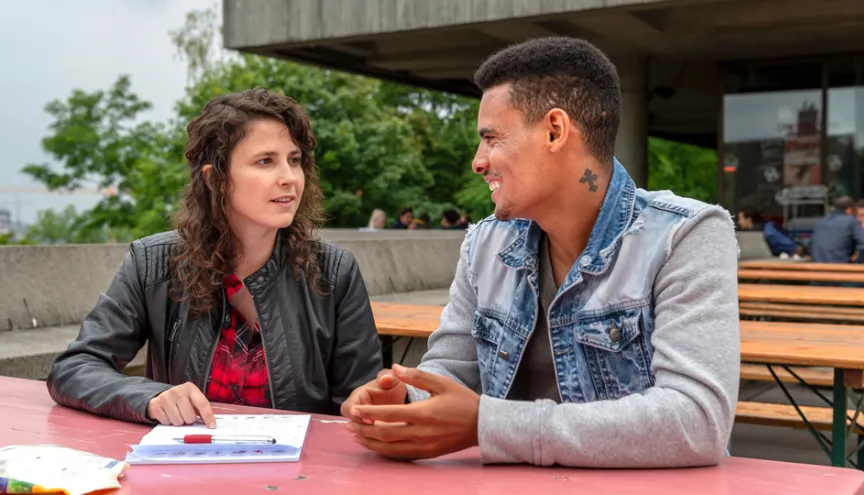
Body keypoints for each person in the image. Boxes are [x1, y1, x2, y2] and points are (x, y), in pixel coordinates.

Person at [342, 36, 739, 468]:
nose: (478, 161)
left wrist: (486, 425)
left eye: (492, 138)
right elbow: (450, 373)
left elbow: (697, 421)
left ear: (555, 131)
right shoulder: (485, 244)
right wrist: (402, 398)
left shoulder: (685, 235)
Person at [47, 88, 382, 427]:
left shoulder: (333, 272)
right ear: (215, 179)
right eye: (265, 161)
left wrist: (374, 403)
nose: (289, 178)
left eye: (294, 160)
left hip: (303, 459)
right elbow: (74, 368)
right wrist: (150, 396)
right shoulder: (153, 264)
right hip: (185, 455)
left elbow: (363, 398)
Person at [810, 196, 864, 263]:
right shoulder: (851, 221)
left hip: (817, 266)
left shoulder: (821, 221)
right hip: (839, 266)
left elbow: (811, 245)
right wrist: (860, 263)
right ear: (849, 210)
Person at [735, 206, 804, 258]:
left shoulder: (768, 230)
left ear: (748, 220)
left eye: (740, 219)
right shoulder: (750, 233)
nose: (738, 222)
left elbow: (797, 248)